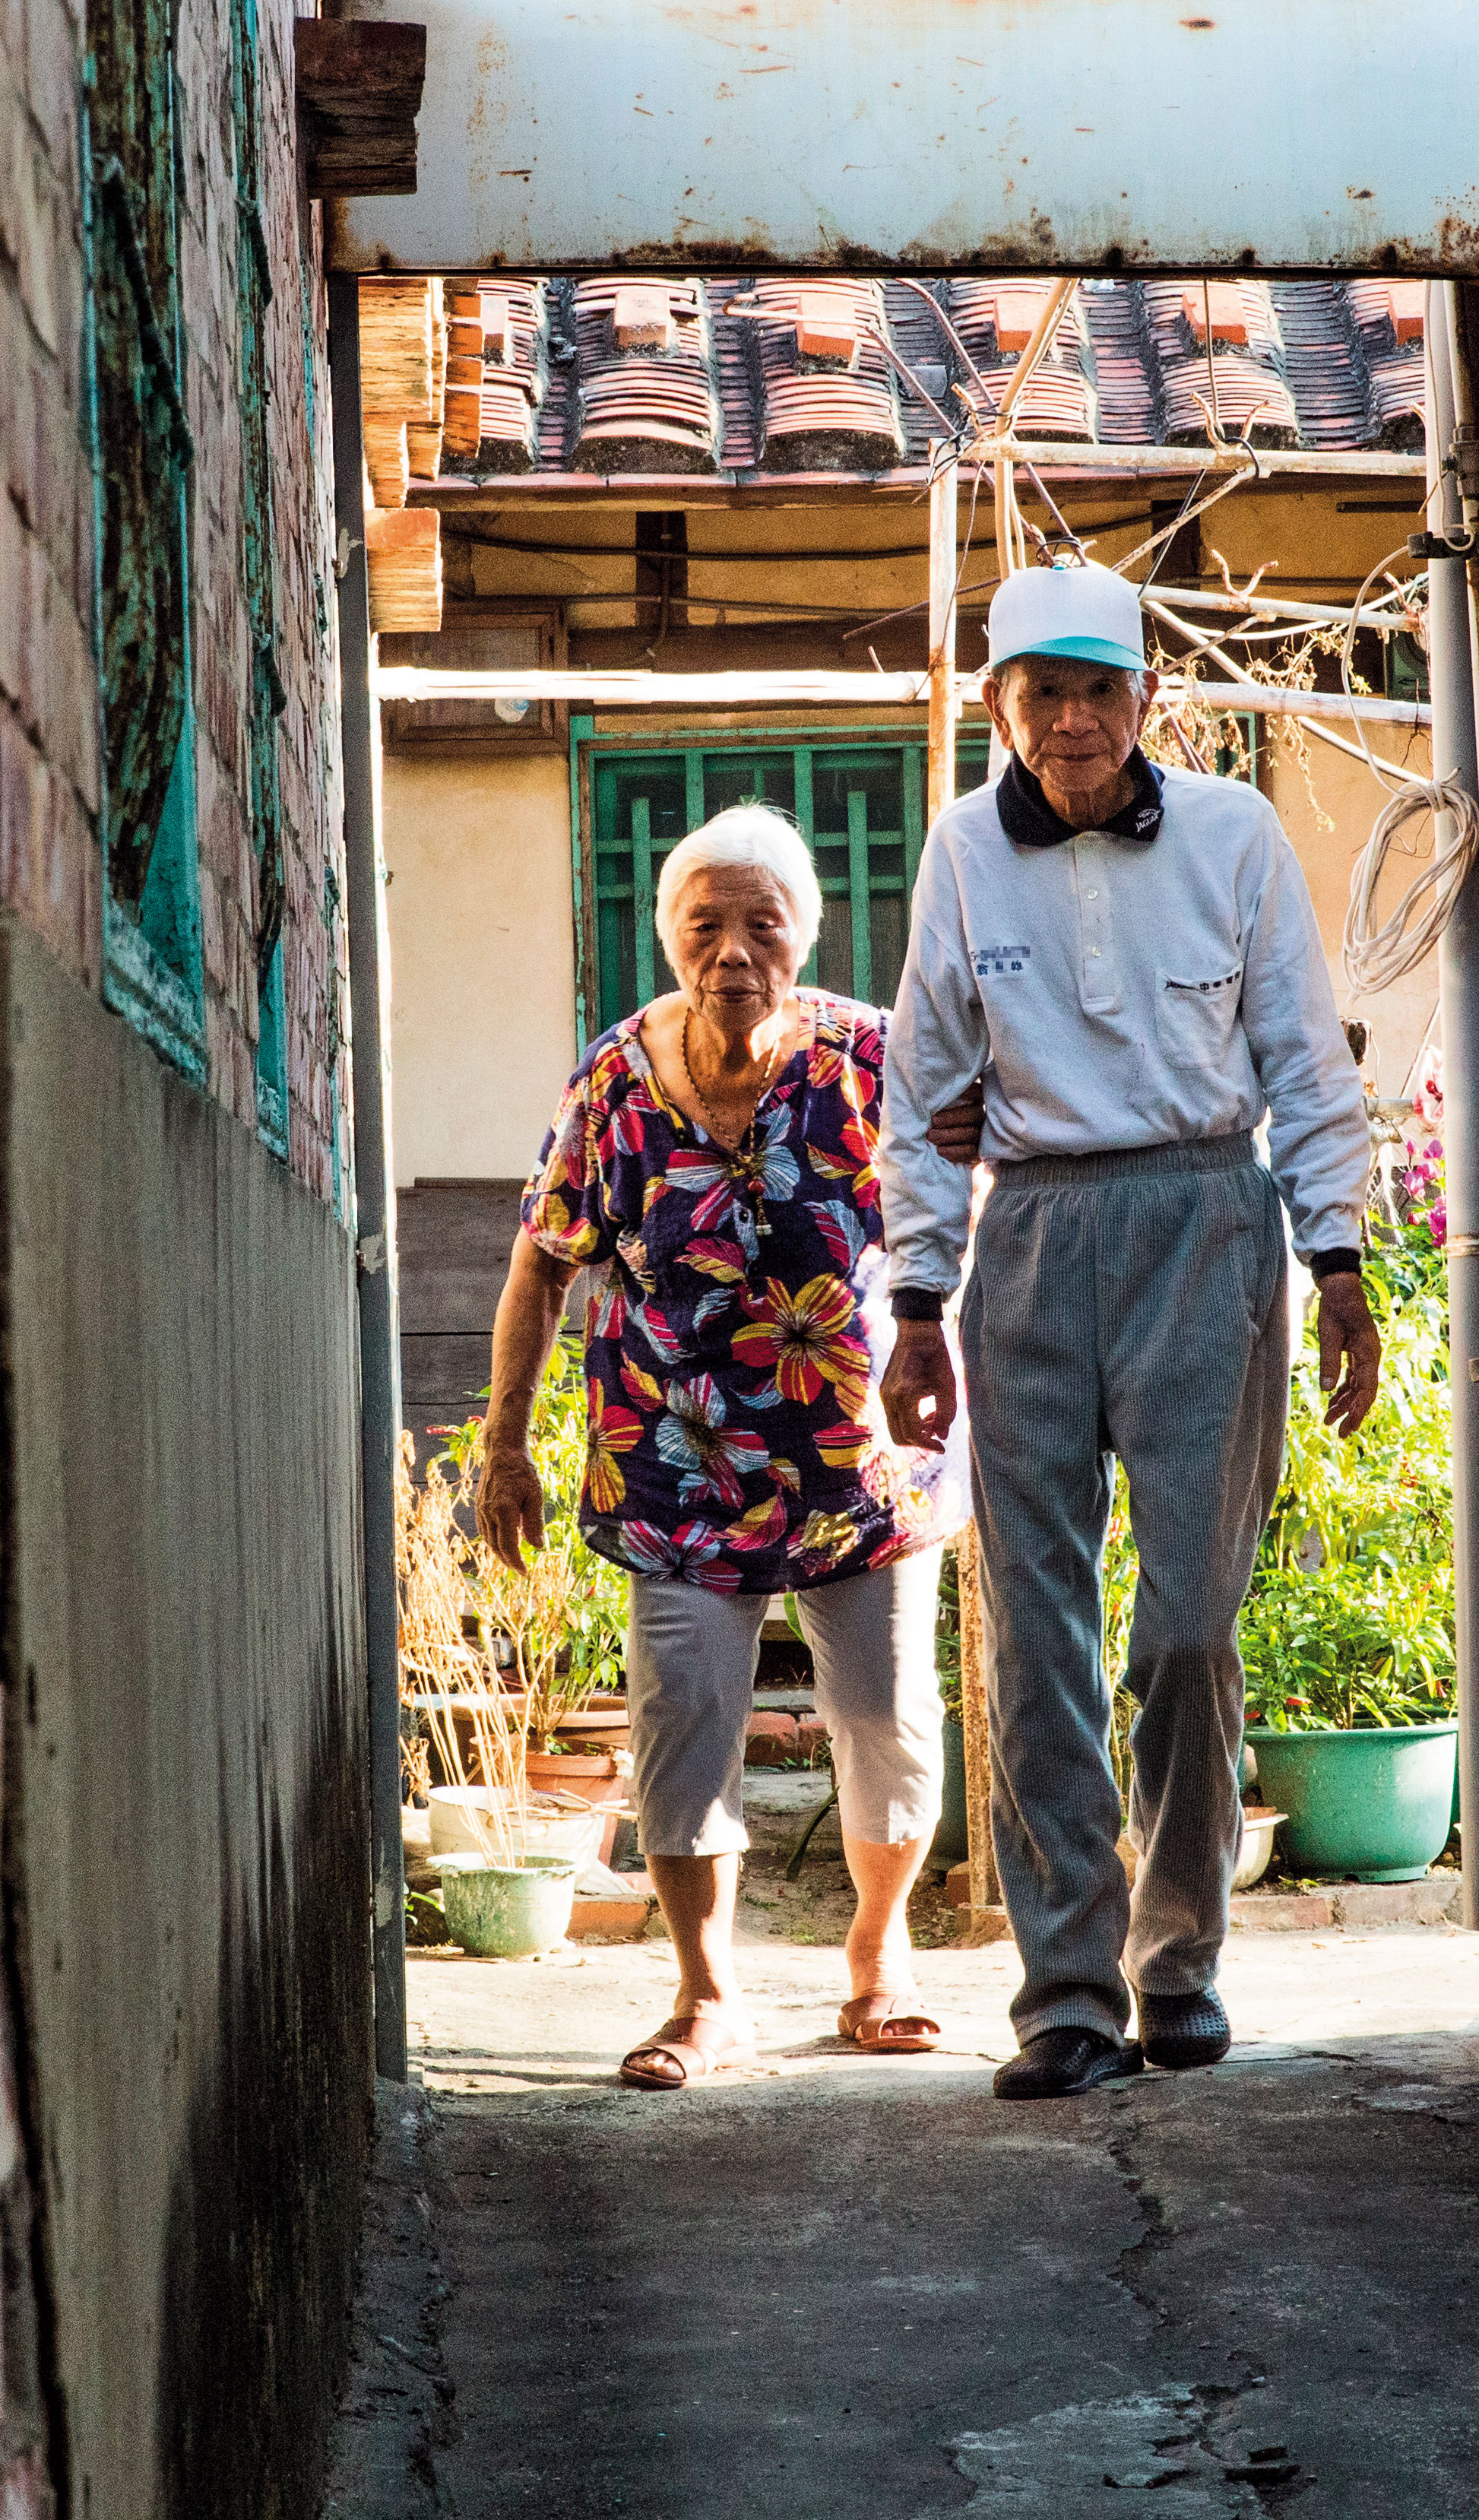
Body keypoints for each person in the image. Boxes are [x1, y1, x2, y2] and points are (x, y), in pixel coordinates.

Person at [875, 554, 1382, 2102]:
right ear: (1000, 707)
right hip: (1029, 1236)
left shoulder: (1232, 836)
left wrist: (1341, 1255)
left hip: (1205, 1226)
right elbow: (919, 1088)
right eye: (1046, 693)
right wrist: (914, 1299)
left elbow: (1302, 1051)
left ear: (1149, 699)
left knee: (1186, 1627)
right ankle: (1071, 1994)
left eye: (1104, 689)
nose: (1078, 721)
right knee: (1034, 1631)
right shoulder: (964, 851)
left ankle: (1181, 1959)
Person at [477, 804, 983, 2090]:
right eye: (706, 925)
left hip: (861, 1457)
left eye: (765, 924)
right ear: (668, 938)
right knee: (683, 1715)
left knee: (884, 1716)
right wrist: (503, 1444)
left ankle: (878, 1959)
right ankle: (706, 1996)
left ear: (805, 936)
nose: (735, 952)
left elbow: (972, 1217)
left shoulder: (874, 1058)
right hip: (673, 1457)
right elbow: (542, 1264)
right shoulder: (615, 1076)